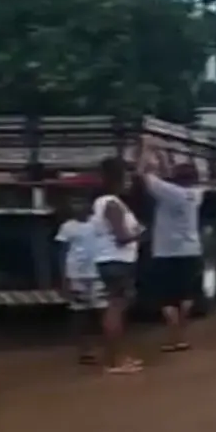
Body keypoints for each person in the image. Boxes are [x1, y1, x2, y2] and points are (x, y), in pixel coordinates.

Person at [135, 137, 204, 353]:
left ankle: (172, 335)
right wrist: (162, 155)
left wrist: (147, 150)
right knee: (186, 296)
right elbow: (165, 179)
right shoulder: (196, 194)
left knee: (166, 297)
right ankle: (181, 336)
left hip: (166, 252)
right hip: (191, 251)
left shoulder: (168, 193)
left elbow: (142, 175)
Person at [91, 156, 144, 375]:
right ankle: (115, 361)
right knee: (115, 311)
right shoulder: (111, 203)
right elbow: (121, 236)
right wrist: (140, 234)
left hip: (111, 261)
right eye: (127, 177)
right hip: (117, 262)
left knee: (115, 310)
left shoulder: (105, 202)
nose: (130, 181)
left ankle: (116, 358)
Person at [55, 196, 106, 363]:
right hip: (76, 275)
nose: (78, 206)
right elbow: (62, 253)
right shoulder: (67, 227)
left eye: (81, 201)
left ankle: (108, 346)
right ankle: (84, 350)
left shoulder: (97, 223)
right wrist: (64, 278)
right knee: (79, 313)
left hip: (98, 273)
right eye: (74, 202)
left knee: (104, 311)